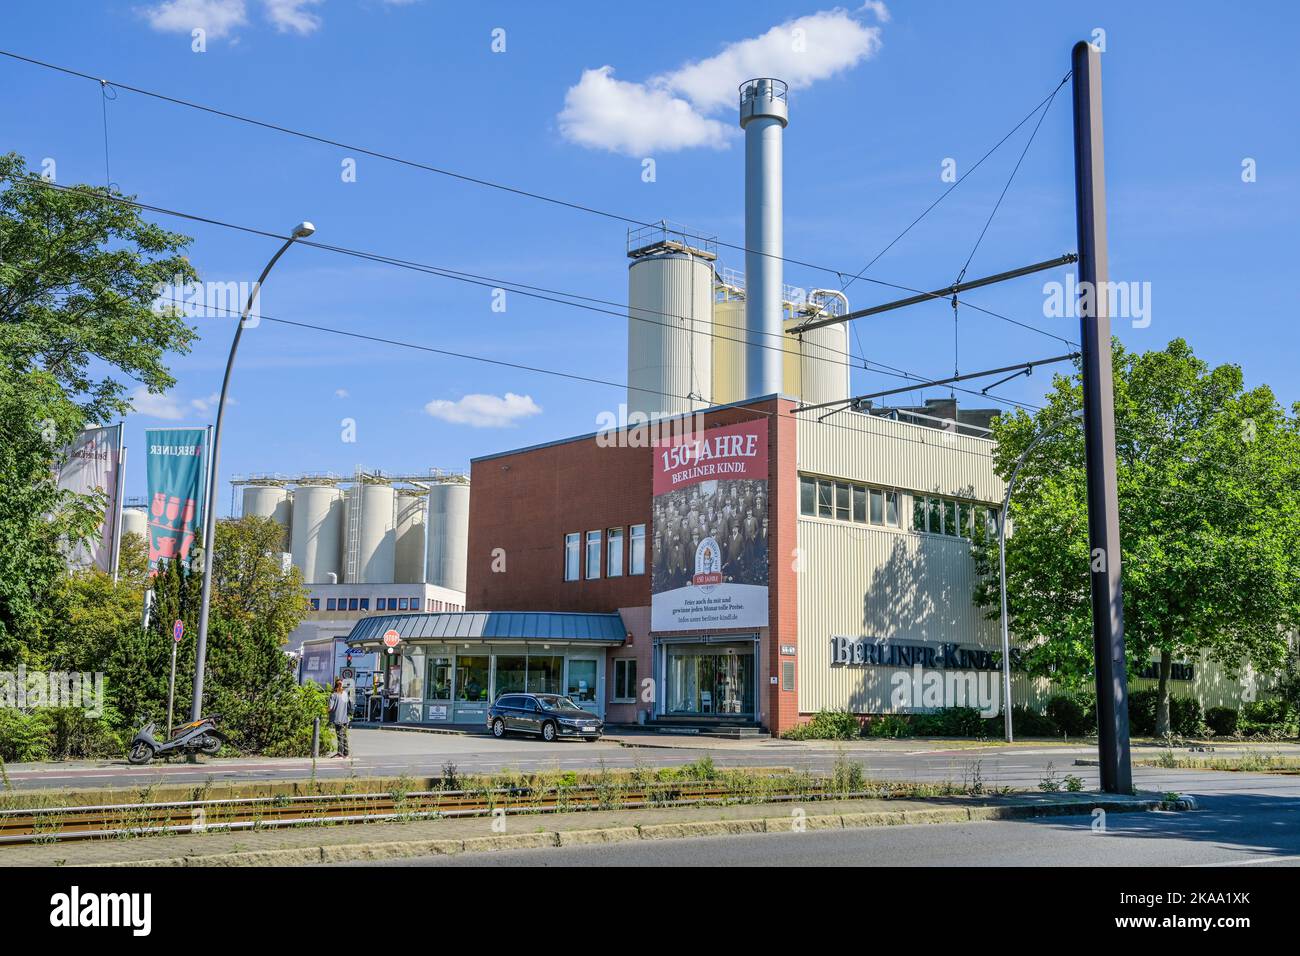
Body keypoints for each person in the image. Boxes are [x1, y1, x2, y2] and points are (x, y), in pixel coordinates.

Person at [328, 678, 351, 758]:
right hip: (345, 718)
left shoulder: (333, 695)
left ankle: (340, 753)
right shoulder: (345, 694)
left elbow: (330, 708)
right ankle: (346, 753)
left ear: (335, 685)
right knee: (344, 735)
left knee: (339, 735)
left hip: (337, 718)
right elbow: (349, 706)